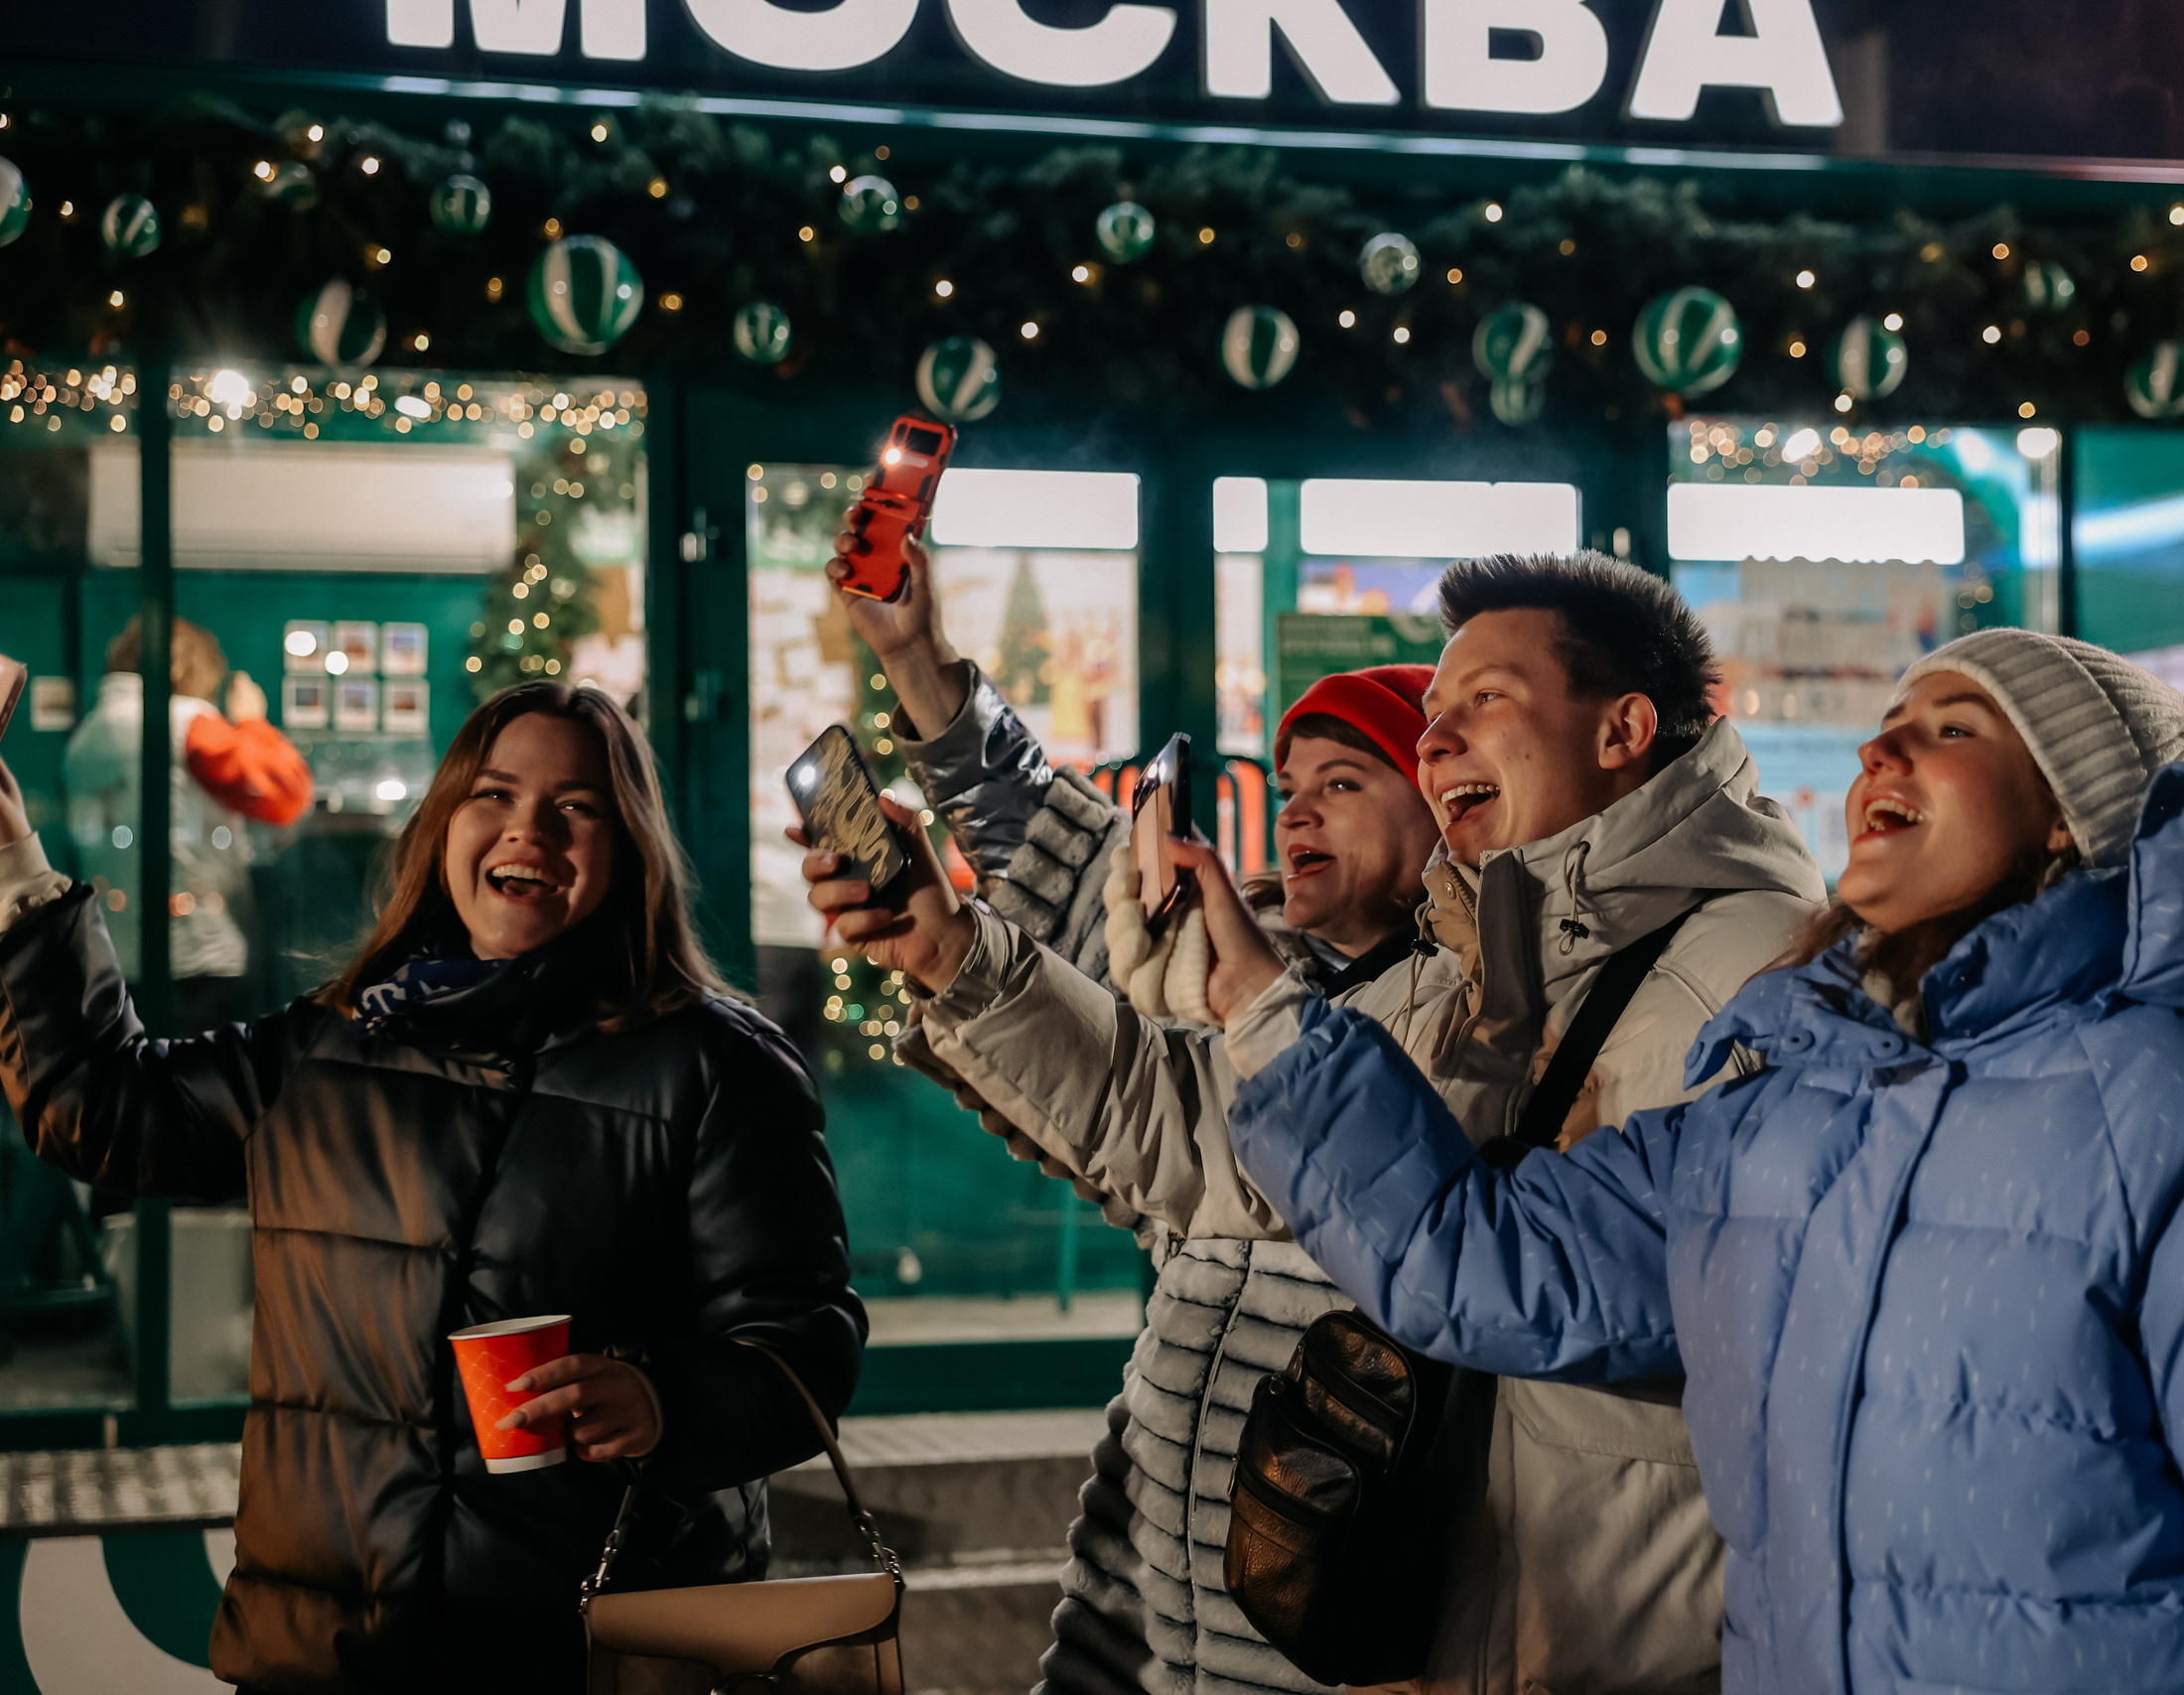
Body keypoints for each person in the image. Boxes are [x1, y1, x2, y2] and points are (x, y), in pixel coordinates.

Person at [1200, 629, 2184, 1695]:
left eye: (1955, 724)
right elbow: (1479, 1263)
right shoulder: (1780, 1106)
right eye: (1892, 717)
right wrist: (1269, 1018)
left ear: (2072, 819)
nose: (1887, 743)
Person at [818, 549, 1827, 1695]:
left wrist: (1259, 1005)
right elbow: (1205, 1129)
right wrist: (949, 949)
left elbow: (1498, 1272)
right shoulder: (1480, 952)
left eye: (1478, 704)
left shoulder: (1753, 972)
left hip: (1594, 1650)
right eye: (1433, 716)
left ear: (1623, 728)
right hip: (1325, 1621)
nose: (1438, 740)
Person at [0, 680, 863, 1695]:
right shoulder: (333, 1043)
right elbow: (99, 1109)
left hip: (592, 1655)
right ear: (445, 822)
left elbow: (804, 1348)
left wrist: (663, 1400)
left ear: (629, 843)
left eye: (575, 806)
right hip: (329, 1653)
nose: (527, 830)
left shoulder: (721, 1068)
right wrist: (15, 859)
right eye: (493, 794)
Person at [810, 509, 1441, 1695]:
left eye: (1345, 782)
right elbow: (1042, 835)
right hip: (1143, 1595)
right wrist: (913, 657)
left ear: (1451, 811)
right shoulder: (1224, 961)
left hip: (1327, 1613)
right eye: (1290, 782)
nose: (1295, 809)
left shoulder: (1466, 1026)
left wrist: (962, 956)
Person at [63, 615, 314, 1028]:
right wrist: (251, 720)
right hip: (199, 951)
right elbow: (286, 793)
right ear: (183, 667)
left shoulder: (87, 735)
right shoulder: (184, 721)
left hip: (113, 950)